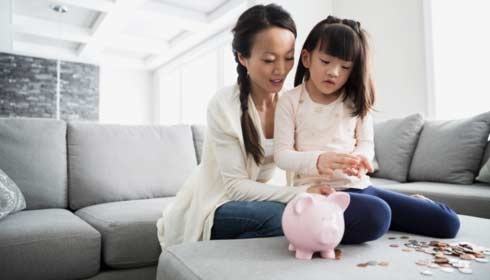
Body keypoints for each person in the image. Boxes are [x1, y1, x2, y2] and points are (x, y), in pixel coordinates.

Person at [156, 4, 364, 248]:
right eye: (268, 60)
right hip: (219, 203)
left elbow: (312, 155)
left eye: (288, 58)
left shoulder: (292, 101)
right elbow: (236, 188)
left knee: (330, 216)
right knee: (286, 219)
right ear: (242, 58)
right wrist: (302, 193)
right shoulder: (224, 105)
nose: (281, 70)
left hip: (260, 199)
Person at [274, 15, 461, 243]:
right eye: (325, 62)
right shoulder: (289, 101)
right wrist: (318, 160)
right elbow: (282, 155)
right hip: (319, 194)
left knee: (448, 223)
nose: (334, 72)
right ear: (306, 58)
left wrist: (361, 157)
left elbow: (366, 143)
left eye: (344, 67)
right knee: (376, 215)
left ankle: (410, 205)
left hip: (360, 187)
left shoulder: (356, 101)